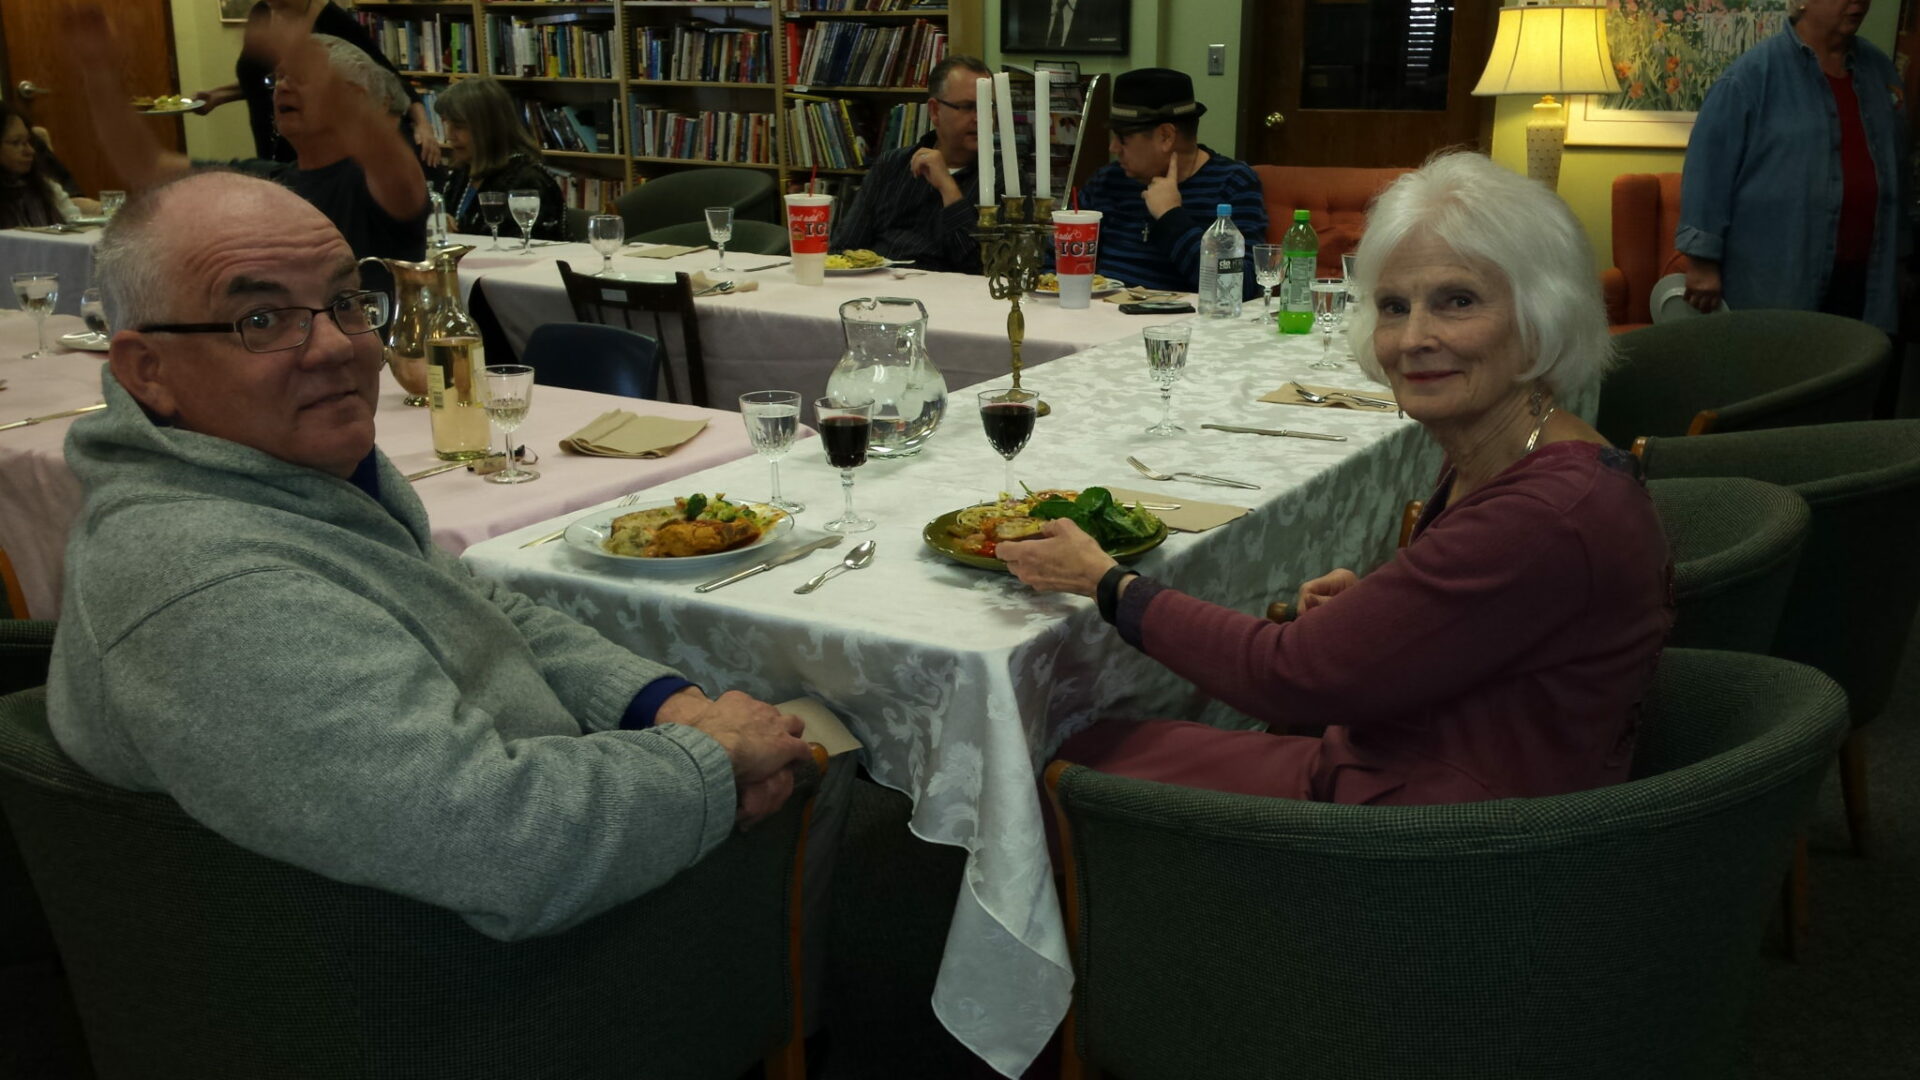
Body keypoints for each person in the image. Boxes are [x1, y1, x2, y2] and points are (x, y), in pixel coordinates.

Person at [45, 169, 813, 940]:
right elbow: (507, 842)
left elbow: (479, 611)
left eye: (348, 302)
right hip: (469, 982)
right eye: (262, 319)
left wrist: (663, 707)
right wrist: (706, 763)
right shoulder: (213, 591)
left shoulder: (285, 481)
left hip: (527, 838)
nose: (340, 349)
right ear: (148, 370)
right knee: (855, 787)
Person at [1000, 153, 1673, 807]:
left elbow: (1285, 675)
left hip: (1438, 846)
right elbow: (1490, 617)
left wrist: (1106, 581)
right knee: (1095, 744)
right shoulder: (1519, 450)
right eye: (1392, 306)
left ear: (1540, 318)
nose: (1413, 338)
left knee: (1053, 771)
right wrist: (1382, 612)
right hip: (1429, 761)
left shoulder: (1547, 510)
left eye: (1457, 301)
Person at [69, 7, 428, 290]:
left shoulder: (373, 183)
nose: (282, 89)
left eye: (299, 78)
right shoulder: (266, 179)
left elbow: (393, 163)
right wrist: (97, 72)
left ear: (355, 98)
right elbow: (146, 165)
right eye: (278, 79)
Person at [1678, 0, 1912, 336]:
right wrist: (1701, 263)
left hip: (1867, 280)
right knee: (1787, 373)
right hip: (1781, 277)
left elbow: (1898, 170)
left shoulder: (1880, 73)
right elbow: (1707, 170)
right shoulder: (1752, 76)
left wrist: (1901, 257)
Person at [1077, 68, 1266, 298]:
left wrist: (1170, 216)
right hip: (1099, 321)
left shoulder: (1232, 182)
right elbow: (1054, 268)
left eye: (1122, 137)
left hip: (1182, 327)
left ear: (1166, 136)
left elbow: (1241, 287)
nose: (1113, 148)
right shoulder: (1107, 181)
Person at [195, 0, 442, 169]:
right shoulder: (261, 12)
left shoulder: (330, 18)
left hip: (313, 143)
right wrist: (219, 95)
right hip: (270, 134)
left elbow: (387, 78)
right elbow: (262, 80)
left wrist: (423, 124)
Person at [831, 55, 991, 273]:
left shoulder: (1001, 178)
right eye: (967, 107)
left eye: (987, 107)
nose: (979, 118)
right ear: (935, 111)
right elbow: (844, 247)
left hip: (950, 297)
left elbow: (980, 267)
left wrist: (948, 188)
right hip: (875, 290)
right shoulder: (892, 165)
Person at [434, 76, 566, 241]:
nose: (449, 136)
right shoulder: (461, 173)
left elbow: (520, 248)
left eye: (459, 126)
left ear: (488, 128)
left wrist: (458, 237)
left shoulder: (526, 181)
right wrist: (438, 221)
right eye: (447, 124)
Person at [0, 101, 96, 228]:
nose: (30, 151)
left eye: (28, 141)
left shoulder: (45, 186)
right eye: (16, 143)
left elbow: (76, 224)